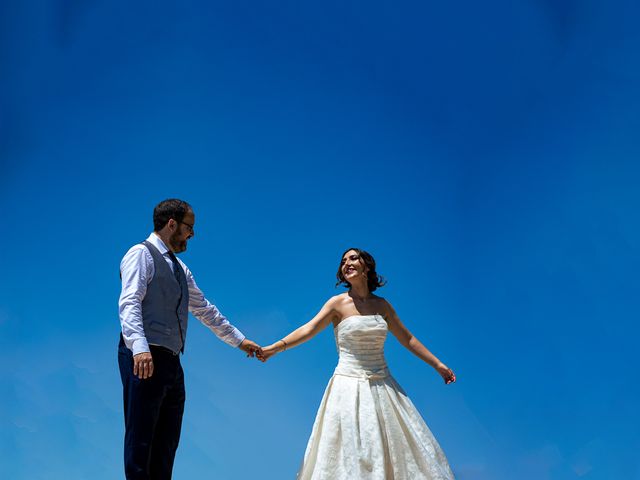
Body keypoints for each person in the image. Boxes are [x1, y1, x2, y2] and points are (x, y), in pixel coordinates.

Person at [260, 248, 456, 479]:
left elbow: (408, 338)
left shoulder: (383, 306)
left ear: (367, 266)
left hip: (383, 386)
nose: (347, 263)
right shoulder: (337, 304)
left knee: (395, 452)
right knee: (351, 453)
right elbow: (309, 329)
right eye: (343, 261)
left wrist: (438, 365)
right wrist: (274, 347)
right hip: (347, 386)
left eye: (353, 258)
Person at [118, 198, 262, 480]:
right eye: (188, 227)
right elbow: (130, 303)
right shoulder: (140, 253)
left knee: (167, 442)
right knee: (142, 438)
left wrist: (239, 340)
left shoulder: (181, 269)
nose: (192, 233)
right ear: (172, 224)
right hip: (145, 356)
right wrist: (139, 348)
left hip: (172, 361)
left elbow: (203, 309)